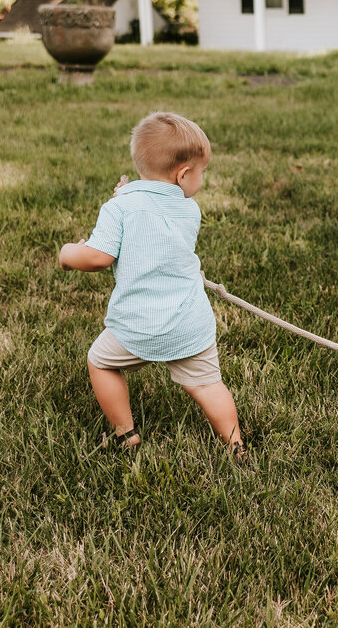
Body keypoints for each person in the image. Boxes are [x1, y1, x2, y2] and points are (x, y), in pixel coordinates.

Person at [59, 111, 245, 459]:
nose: (201, 181)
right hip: (188, 325)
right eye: (202, 173)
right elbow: (156, 210)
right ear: (183, 175)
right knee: (208, 385)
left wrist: (69, 252)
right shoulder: (190, 210)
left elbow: (97, 257)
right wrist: (127, 198)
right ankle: (236, 445)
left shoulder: (120, 208)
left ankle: (125, 433)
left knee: (100, 362)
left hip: (137, 325)